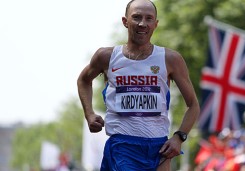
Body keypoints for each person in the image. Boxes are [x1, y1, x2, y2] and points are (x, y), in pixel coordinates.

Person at [77, 0, 200, 170]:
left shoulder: (170, 59)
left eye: (149, 18)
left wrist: (179, 137)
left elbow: (193, 105)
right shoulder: (107, 56)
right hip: (122, 146)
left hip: (160, 148)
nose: (143, 23)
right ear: (125, 21)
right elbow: (83, 80)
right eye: (136, 17)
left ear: (155, 24)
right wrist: (89, 114)